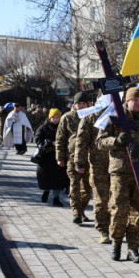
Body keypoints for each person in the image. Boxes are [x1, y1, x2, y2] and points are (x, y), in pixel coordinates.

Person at [96, 87, 139, 263]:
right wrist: (116, 141)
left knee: (138, 212)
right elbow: (100, 142)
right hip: (120, 171)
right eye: (135, 100)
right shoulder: (113, 118)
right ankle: (116, 244)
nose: (138, 103)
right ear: (127, 101)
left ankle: (133, 248)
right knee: (119, 209)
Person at [75, 101, 112, 244]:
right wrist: (79, 162)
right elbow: (81, 141)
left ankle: (116, 227)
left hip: (119, 164)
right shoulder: (90, 118)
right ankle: (103, 229)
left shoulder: (121, 115)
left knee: (117, 199)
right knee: (101, 198)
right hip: (98, 165)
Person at [56, 92, 92, 225]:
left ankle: (81, 210)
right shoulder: (67, 117)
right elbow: (60, 138)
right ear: (74, 104)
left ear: (88, 104)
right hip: (72, 156)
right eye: (78, 103)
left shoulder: (92, 116)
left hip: (89, 157)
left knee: (87, 188)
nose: (81, 106)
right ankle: (76, 212)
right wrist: (60, 157)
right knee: (74, 185)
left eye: (83, 103)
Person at [34, 109, 68, 206]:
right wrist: (50, 142)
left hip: (59, 156)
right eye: (53, 117)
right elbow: (38, 139)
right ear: (50, 118)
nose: (55, 119)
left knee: (58, 179)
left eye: (57, 117)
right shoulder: (43, 128)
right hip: (46, 157)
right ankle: (46, 191)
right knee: (47, 178)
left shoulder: (63, 127)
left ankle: (56, 199)